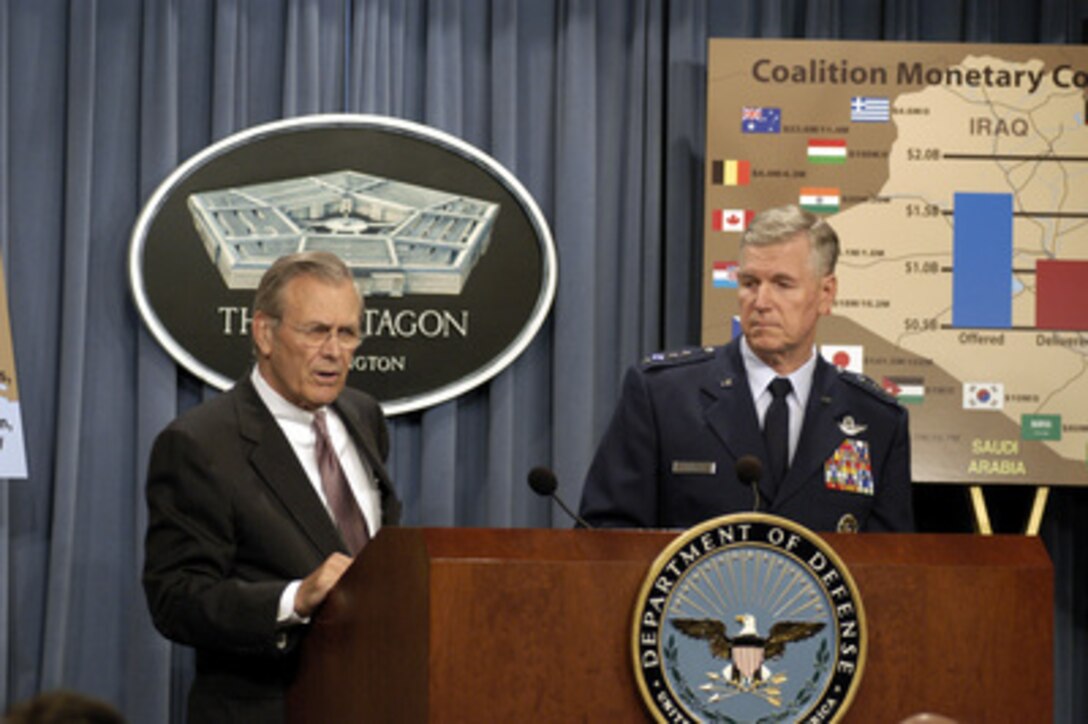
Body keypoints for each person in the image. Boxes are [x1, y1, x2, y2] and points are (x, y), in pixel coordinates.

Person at [142, 251, 401, 723]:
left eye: (347, 333)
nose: (334, 351)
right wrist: (294, 598)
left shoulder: (363, 415)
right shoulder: (200, 444)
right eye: (316, 331)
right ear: (264, 333)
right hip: (269, 708)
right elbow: (176, 598)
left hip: (372, 697)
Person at [578, 204, 913, 533]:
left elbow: (891, 569)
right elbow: (606, 538)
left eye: (782, 284)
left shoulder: (877, 419)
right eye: (750, 283)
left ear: (826, 293)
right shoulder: (662, 396)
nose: (761, 302)